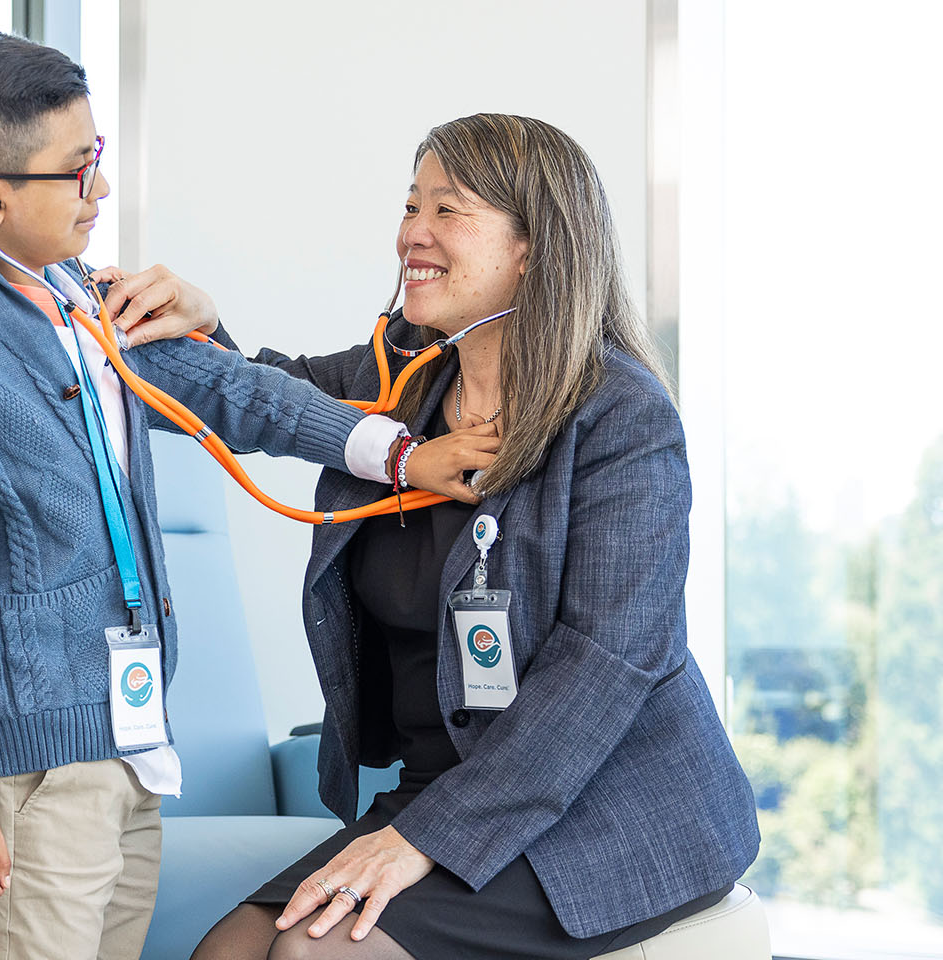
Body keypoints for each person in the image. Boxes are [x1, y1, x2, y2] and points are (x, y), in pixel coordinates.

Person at [0, 30, 490, 960]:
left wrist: (404, 456)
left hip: (132, 739)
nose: (101, 192)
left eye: (100, 159)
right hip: (34, 763)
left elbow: (245, 396)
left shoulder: (93, 301)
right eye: (76, 173)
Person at [97, 113, 761, 959]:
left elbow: (606, 664)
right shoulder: (402, 372)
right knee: (228, 950)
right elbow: (266, 400)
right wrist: (201, 327)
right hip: (441, 785)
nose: (413, 231)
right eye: (411, 206)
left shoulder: (622, 419)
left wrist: (421, 841)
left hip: (606, 812)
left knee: (316, 952)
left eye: (449, 210)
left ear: (534, 247)